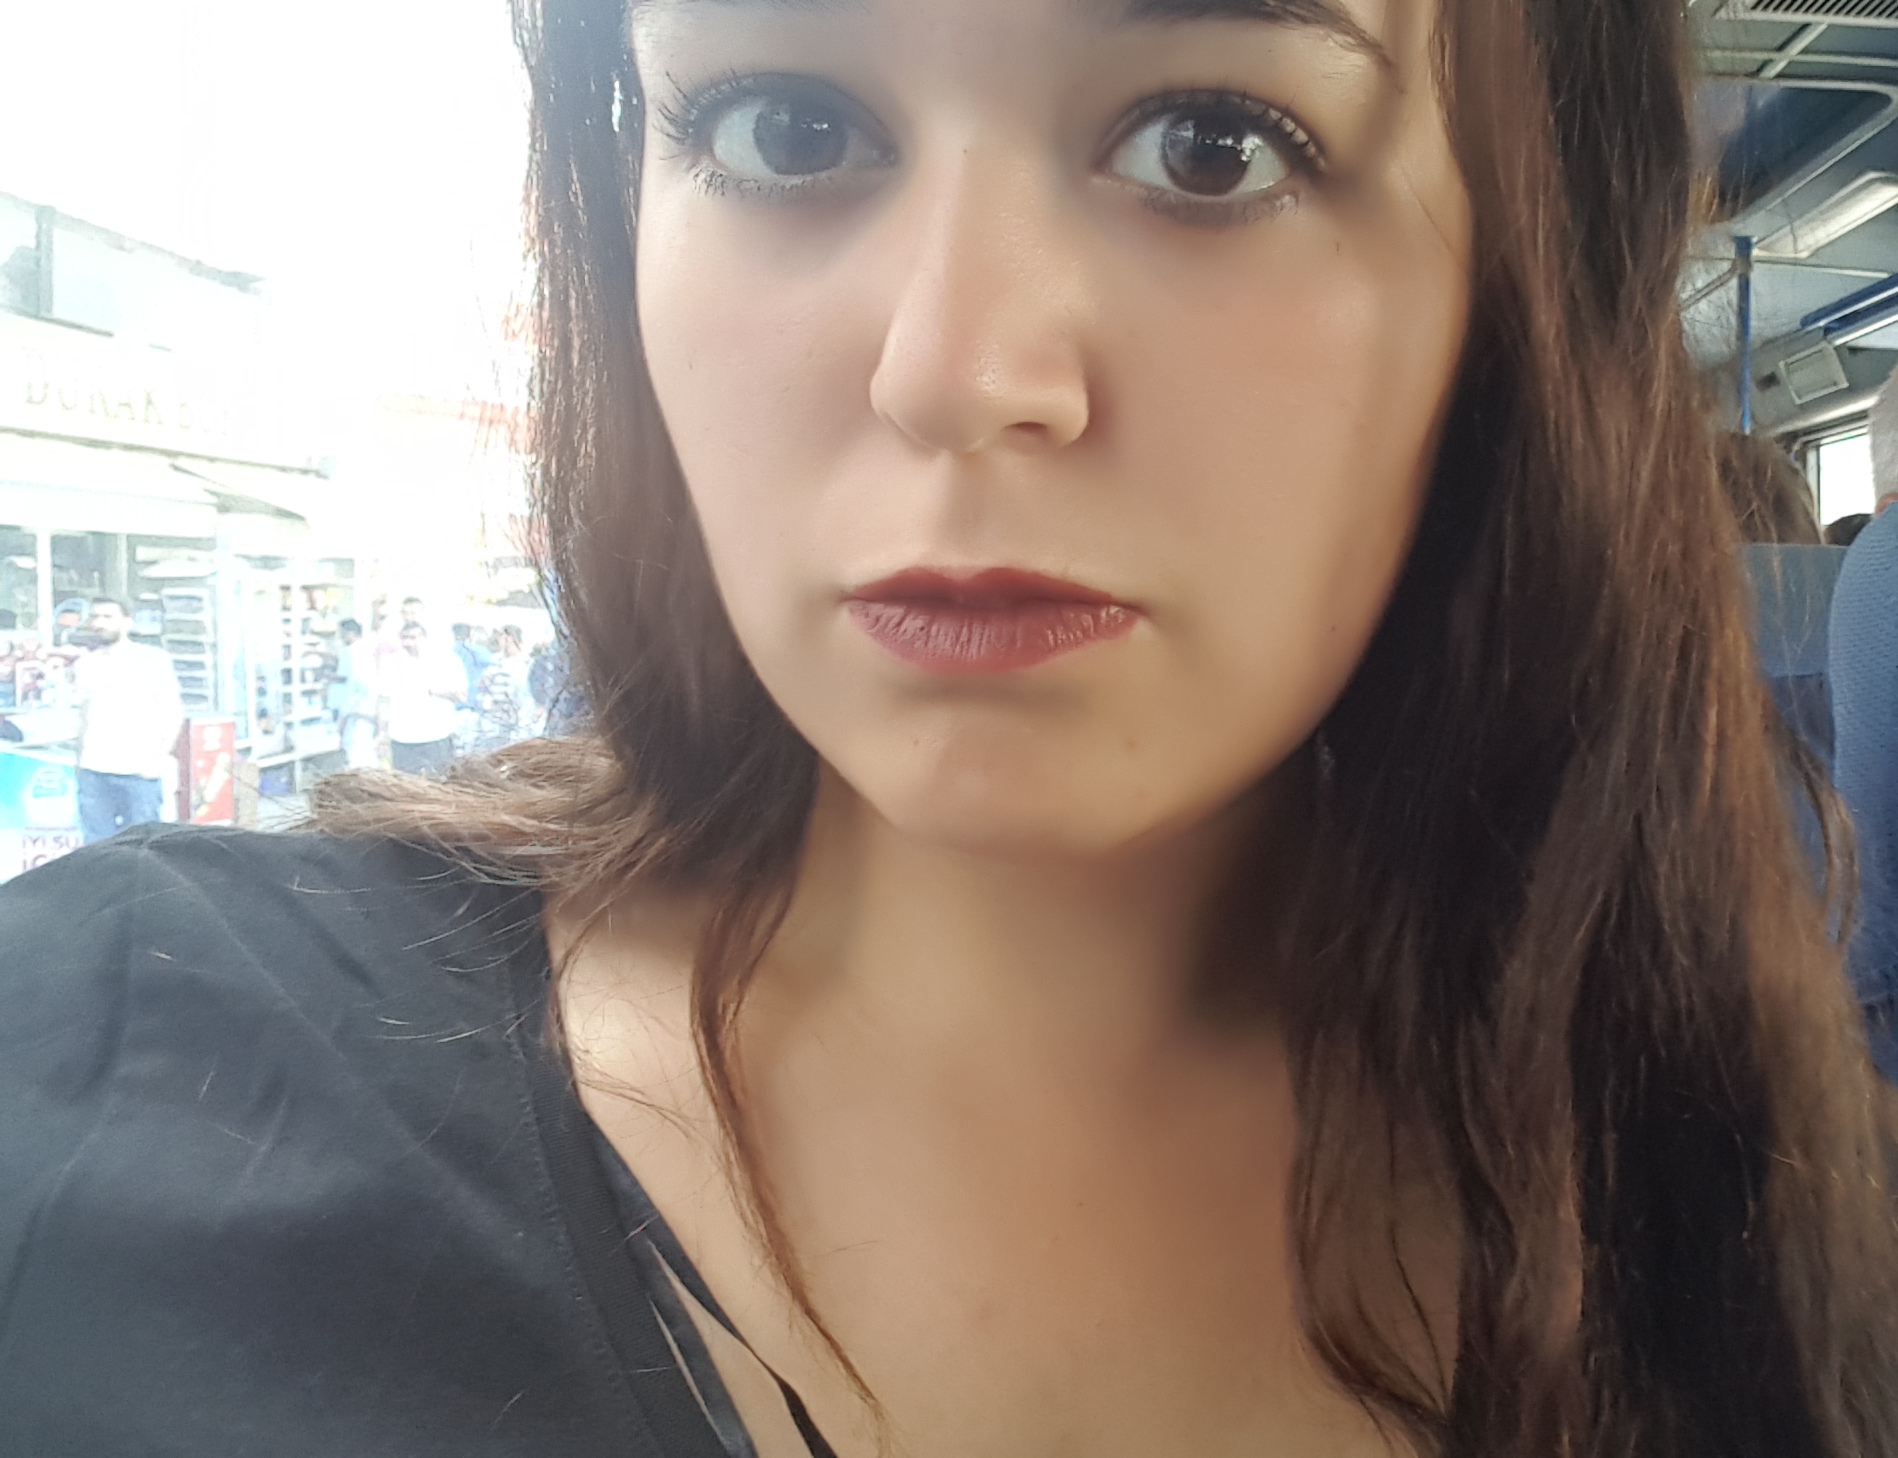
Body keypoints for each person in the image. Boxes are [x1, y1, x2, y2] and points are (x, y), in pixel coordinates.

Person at [3, 3, 1897, 1457]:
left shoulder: (1749, 1227)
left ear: (1523, 276)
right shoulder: (120, 1087)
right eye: (786, 125)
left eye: (1211, 142)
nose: (951, 371)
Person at [69, 597, 183, 844]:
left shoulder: (153, 660)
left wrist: (157, 758)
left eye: (108, 617)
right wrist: (79, 760)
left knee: (143, 845)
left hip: (138, 771)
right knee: (97, 848)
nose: (99, 623)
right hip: (94, 771)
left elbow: (173, 712)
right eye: (95, 616)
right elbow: (83, 714)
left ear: (127, 622)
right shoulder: (85, 664)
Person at [378, 620, 465, 777]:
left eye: (413, 638)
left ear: (424, 638)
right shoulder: (391, 662)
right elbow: (384, 699)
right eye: (404, 638)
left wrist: (434, 691)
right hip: (402, 738)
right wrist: (382, 733)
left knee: (440, 782)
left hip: (436, 735)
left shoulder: (446, 660)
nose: (407, 643)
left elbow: (461, 695)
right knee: (404, 785)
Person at [326, 617, 380, 770]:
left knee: (354, 745)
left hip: (356, 704)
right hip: (361, 703)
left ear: (350, 633)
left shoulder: (352, 651)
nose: (341, 637)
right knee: (362, 745)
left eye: (342, 634)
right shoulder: (365, 649)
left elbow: (349, 677)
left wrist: (329, 676)